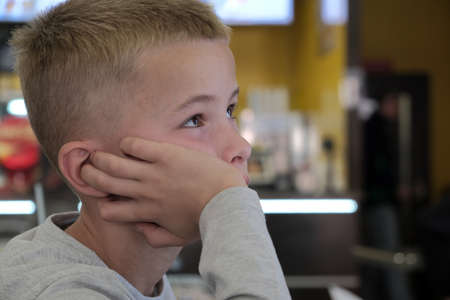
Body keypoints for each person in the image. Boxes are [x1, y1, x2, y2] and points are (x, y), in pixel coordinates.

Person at [0, 0, 291, 299]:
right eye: (193, 120)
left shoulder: (138, 280)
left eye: (230, 110)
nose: (241, 146)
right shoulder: (64, 293)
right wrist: (228, 208)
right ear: (88, 169)